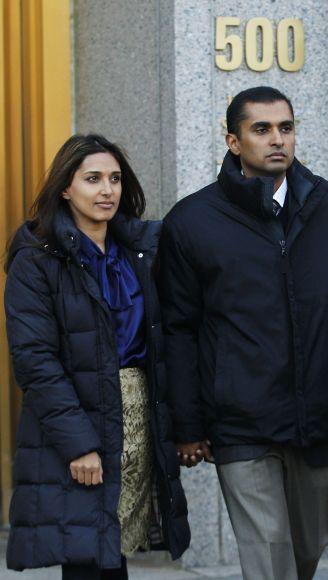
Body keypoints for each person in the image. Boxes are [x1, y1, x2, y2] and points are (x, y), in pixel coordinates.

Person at [159, 87, 328, 580]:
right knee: (269, 561)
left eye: (285, 128)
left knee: (308, 548)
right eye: (261, 129)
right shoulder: (192, 221)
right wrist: (188, 425)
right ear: (233, 140)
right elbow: (178, 332)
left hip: (316, 417)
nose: (277, 140)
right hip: (240, 422)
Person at [5, 134, 190, 579]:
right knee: (88, 554)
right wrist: (79, 443)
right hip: (80, 418)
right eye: (93, 179)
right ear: (65, 188)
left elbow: (172, 340)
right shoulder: (37, 258)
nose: (107, 190)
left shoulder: (141, 250)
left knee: (115, 545)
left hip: (138, 415)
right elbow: (35, 359)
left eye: (114, 179)